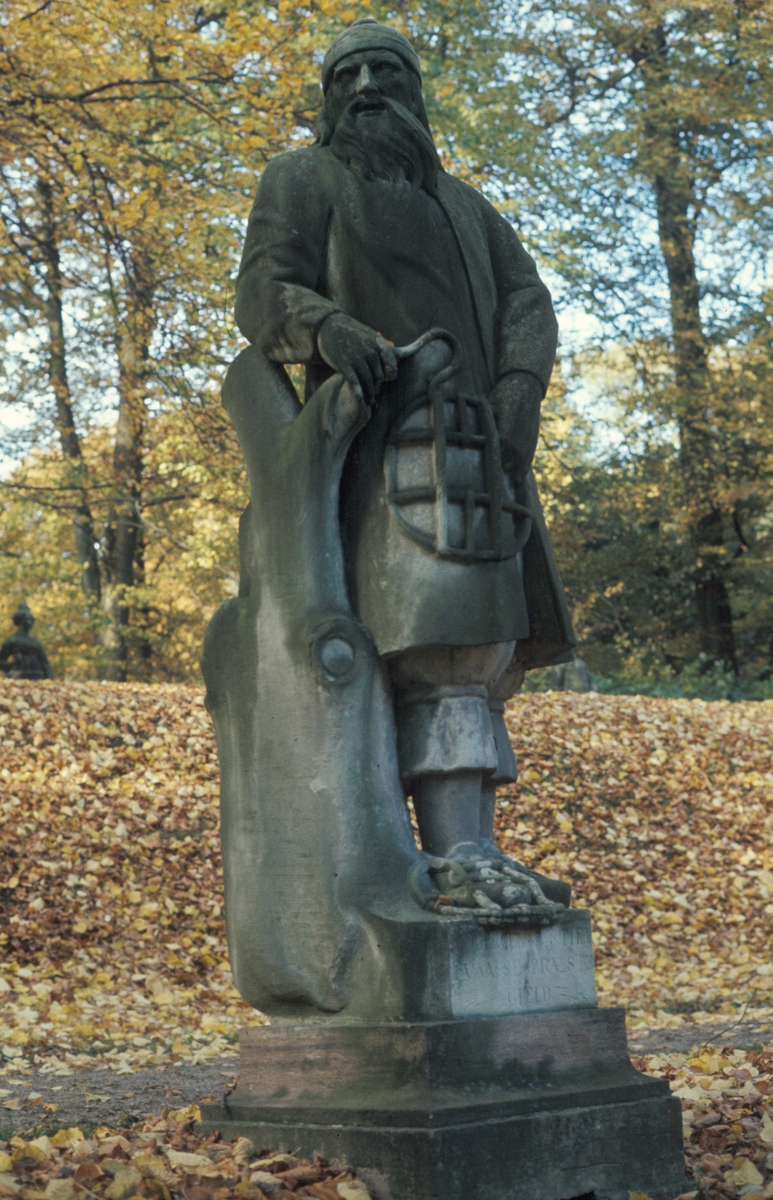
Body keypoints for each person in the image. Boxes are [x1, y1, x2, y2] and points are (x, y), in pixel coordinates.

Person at [233, 18, 574, 907]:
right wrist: (329, 329)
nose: (367, 86)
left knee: (479, 655)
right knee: (427, 645)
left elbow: (529, 301)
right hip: (381, 450)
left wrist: (517, 392)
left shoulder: (464, 203)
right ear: (327, 96)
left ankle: (472, 846)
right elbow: (263, 289)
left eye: (386, 70)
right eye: (347, 73)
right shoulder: (303, 179)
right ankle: (448, 856)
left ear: (414, 89)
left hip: (483, 452)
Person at [0, 602, 53, 680]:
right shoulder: (12, 641)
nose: (29, 622)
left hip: (37, 678)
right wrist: (11, 666)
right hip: (17, 678)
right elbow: (1, 661)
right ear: (20, 620)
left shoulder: (35, 643)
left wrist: (49, 678)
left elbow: (45, 663)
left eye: (30, 620)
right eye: (26, 619)